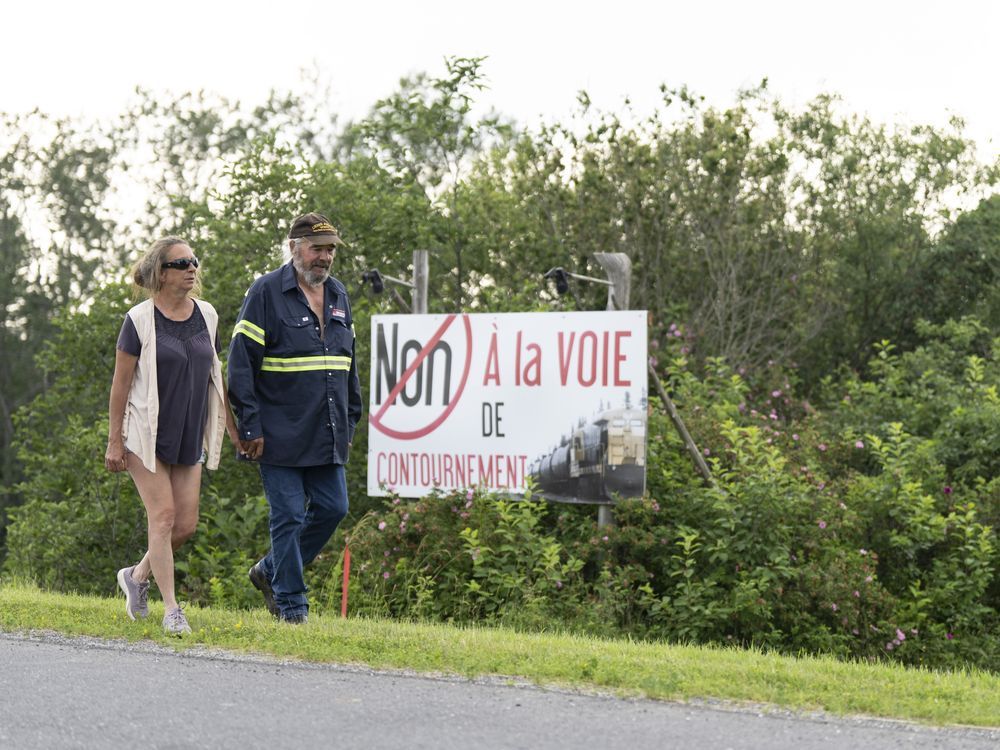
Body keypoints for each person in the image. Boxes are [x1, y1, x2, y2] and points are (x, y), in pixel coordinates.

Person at [228, 212, 363, 624]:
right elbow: (239, 365)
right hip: (278, 433)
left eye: (330, 250)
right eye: (316, 248)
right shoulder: (265, 291)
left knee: (333, 508)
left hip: (327, 432)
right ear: (294, 248)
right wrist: (249, 425)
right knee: (287, 515)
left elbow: (348, 365)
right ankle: (292, 606)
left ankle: (270, 570)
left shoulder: (338, 294)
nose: (324, 257)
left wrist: (351, 420)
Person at [106, 237, 239, 635]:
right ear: (161, 273)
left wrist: (233, 428)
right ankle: (172, 610)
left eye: (193, 261)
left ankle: (136, 576)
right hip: (144, 435)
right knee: (162, 518)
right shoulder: (139, 319)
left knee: (185, 526)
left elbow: (217, 376)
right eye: (181, 263)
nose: (191, 268)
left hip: (188, 433)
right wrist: (114, 440)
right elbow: (120, 385)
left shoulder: (208, 315)